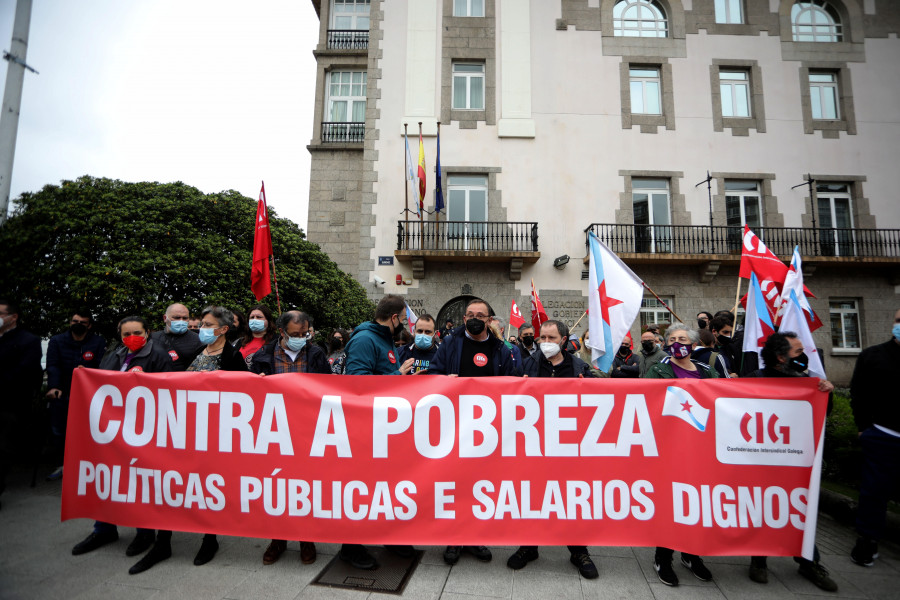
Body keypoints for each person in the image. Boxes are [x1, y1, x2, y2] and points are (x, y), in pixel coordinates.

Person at [70, 316, 173, 574]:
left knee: (139, 482)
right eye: (126, 333)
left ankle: (144, 533)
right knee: (109, 479)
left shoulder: (158, 356)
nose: (131, 338)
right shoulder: (115, 354)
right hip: (113, 431)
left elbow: (170, 390)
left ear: (148, 333)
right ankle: (103, 529)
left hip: (143, 431)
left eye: (137, 332)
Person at [429, 298, 520, 566]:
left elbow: (511, 381)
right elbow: (434, 373)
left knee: (481, 485)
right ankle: (454, 538)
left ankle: (475, 536)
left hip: (486, 430)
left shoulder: (500, 348)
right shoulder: (450, 343)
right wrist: (444, 381)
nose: (474, 318)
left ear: (490, 320)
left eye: (480, 314)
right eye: (469, 314)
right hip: (454, 427)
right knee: (456, 483)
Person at [744, 331, 837, 591]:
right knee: (763, 507)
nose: (804, 356)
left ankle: (809, 561)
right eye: (798, 352)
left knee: (801, 511)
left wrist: (827, 393)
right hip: (760, 461)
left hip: (797, 462)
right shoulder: (755, 379)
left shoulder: (810, 382)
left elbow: (822, 414)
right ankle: (758, 560)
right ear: (780, 356)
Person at [507, 319, 599, 579]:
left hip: (569, 444)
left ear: (563, 340)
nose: (545, 343)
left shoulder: (579, 366)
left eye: (551, 338)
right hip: (535, 443)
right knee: (534, 494)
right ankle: (529, 546)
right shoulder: (528, 363)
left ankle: (578, 550)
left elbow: (596, 403)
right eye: (542, 338)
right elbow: (509, 395)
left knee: (571, 496)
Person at [168, 306, 250, 571]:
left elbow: (242, 394)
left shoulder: (233, 356)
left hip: (214, 434)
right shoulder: (196, 352)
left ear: (223, 329)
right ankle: (163, 537)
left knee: (208, 485)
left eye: (206, 324)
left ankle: (209, 538)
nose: (200, 328)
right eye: (201, 323)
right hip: (186, 431)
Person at [341, 295, 416, 569]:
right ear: (394, 317)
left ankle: (387, 535)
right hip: (365, 429)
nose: (405, 325)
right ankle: (350, 547)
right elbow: (357, 384)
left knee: (384, 487)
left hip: (383, 429)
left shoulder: (384, 340)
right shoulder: (364, 340)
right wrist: (398, 376)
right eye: (403, 319)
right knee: (362, 489)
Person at [248, 310, 329, 566]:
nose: (300, 338)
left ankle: (306, 539)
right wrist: (257, 383)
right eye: (295, 334)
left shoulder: (315, 354)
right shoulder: (264, 356)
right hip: (274, 432)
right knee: (277, 487)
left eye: (304, 334)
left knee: (304, 487)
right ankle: (277, 539)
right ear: (282, 332)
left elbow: (329, 388)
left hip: (307, 431)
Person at [643, 323, 717, 586]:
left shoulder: (708, 372)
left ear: (693, 344)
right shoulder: (658, 370)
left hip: (701, 450)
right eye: (672, 338)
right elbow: (642, 400)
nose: (677, 342)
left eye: (682, 338)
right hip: (669, 450)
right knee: (671, 504)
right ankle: (663, 557)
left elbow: (729, 400)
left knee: (697, 503)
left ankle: (691, 553)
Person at [849, 308, 900, 569]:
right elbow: (858, 394)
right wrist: (864, 427)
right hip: (882, 434)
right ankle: (867, 540)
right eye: (899, 321)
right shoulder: (873, 356)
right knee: (874, 492)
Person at [44, 309, 106, 480]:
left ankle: (83, 466)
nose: (77, 325)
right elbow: (53, 365)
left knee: (86, 432)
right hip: (61, 392)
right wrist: (53, 386)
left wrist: (89, 373)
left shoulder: (98, 342)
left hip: (88, 395)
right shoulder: (57, 341)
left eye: (82, 323)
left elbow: (101, 365)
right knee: (59, 431)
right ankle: (61, 465)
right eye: (74, 321)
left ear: (89, 325)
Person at [0, 300, 43, 504]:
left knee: (2, 447)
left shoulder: (28, 341)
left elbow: (25, 374)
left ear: (13, 317)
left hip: (10, 403)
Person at [150, 303, 204, 371]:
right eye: (177, 318)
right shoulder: (153, 338)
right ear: (165, 318)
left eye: (185, 318)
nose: (181, 321)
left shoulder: (198, 340)